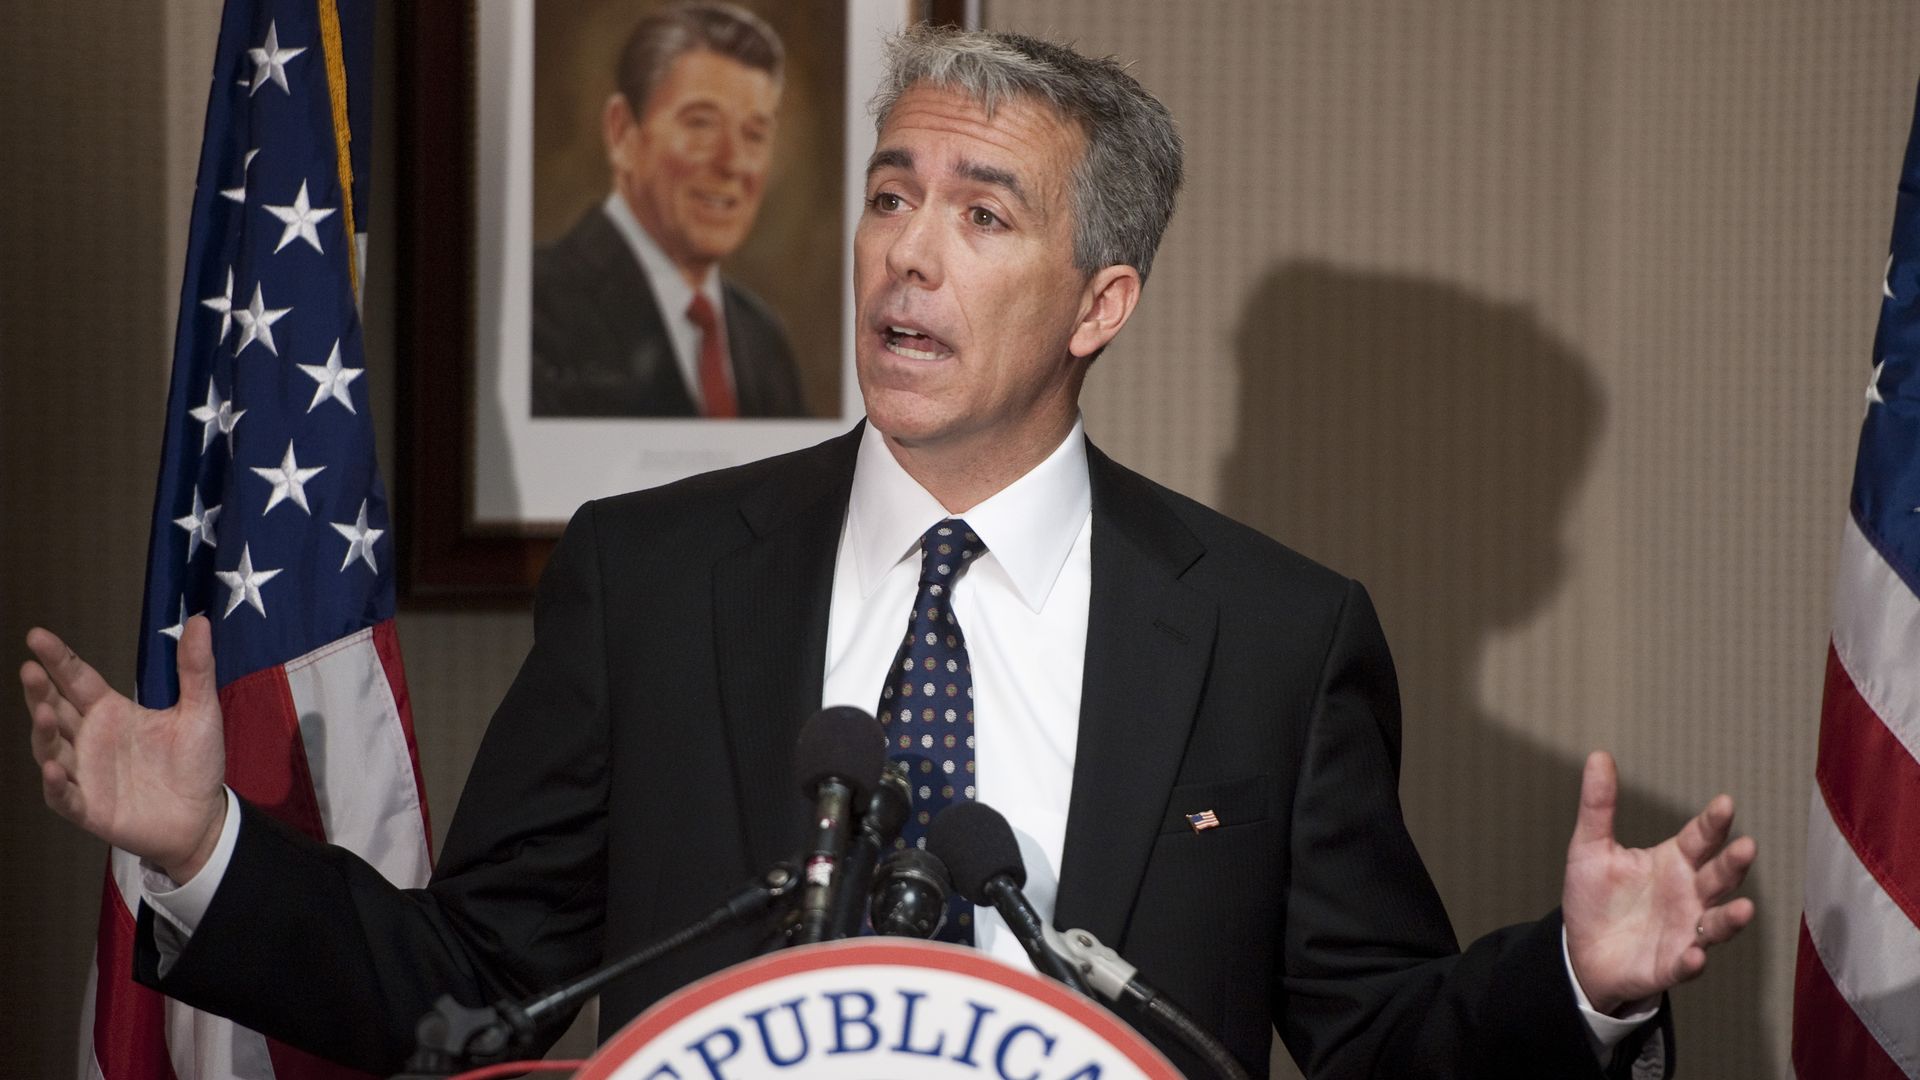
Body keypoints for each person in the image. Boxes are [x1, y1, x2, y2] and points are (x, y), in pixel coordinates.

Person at [21, 25, 1755, 1078]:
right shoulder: (651, 580)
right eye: (888, 195)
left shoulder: (1274, 640)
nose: (906, 256)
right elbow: (472, 988)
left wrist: (1578, 988)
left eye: (981, 214)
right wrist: (204, 852)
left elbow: (1379, 1042)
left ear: (1100, 303)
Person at [529, 1, 808, 419]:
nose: (733, 162)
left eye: (754, 133)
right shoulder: (536, 306)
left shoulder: (763, 340)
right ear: (622, 132)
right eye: (701, 123)